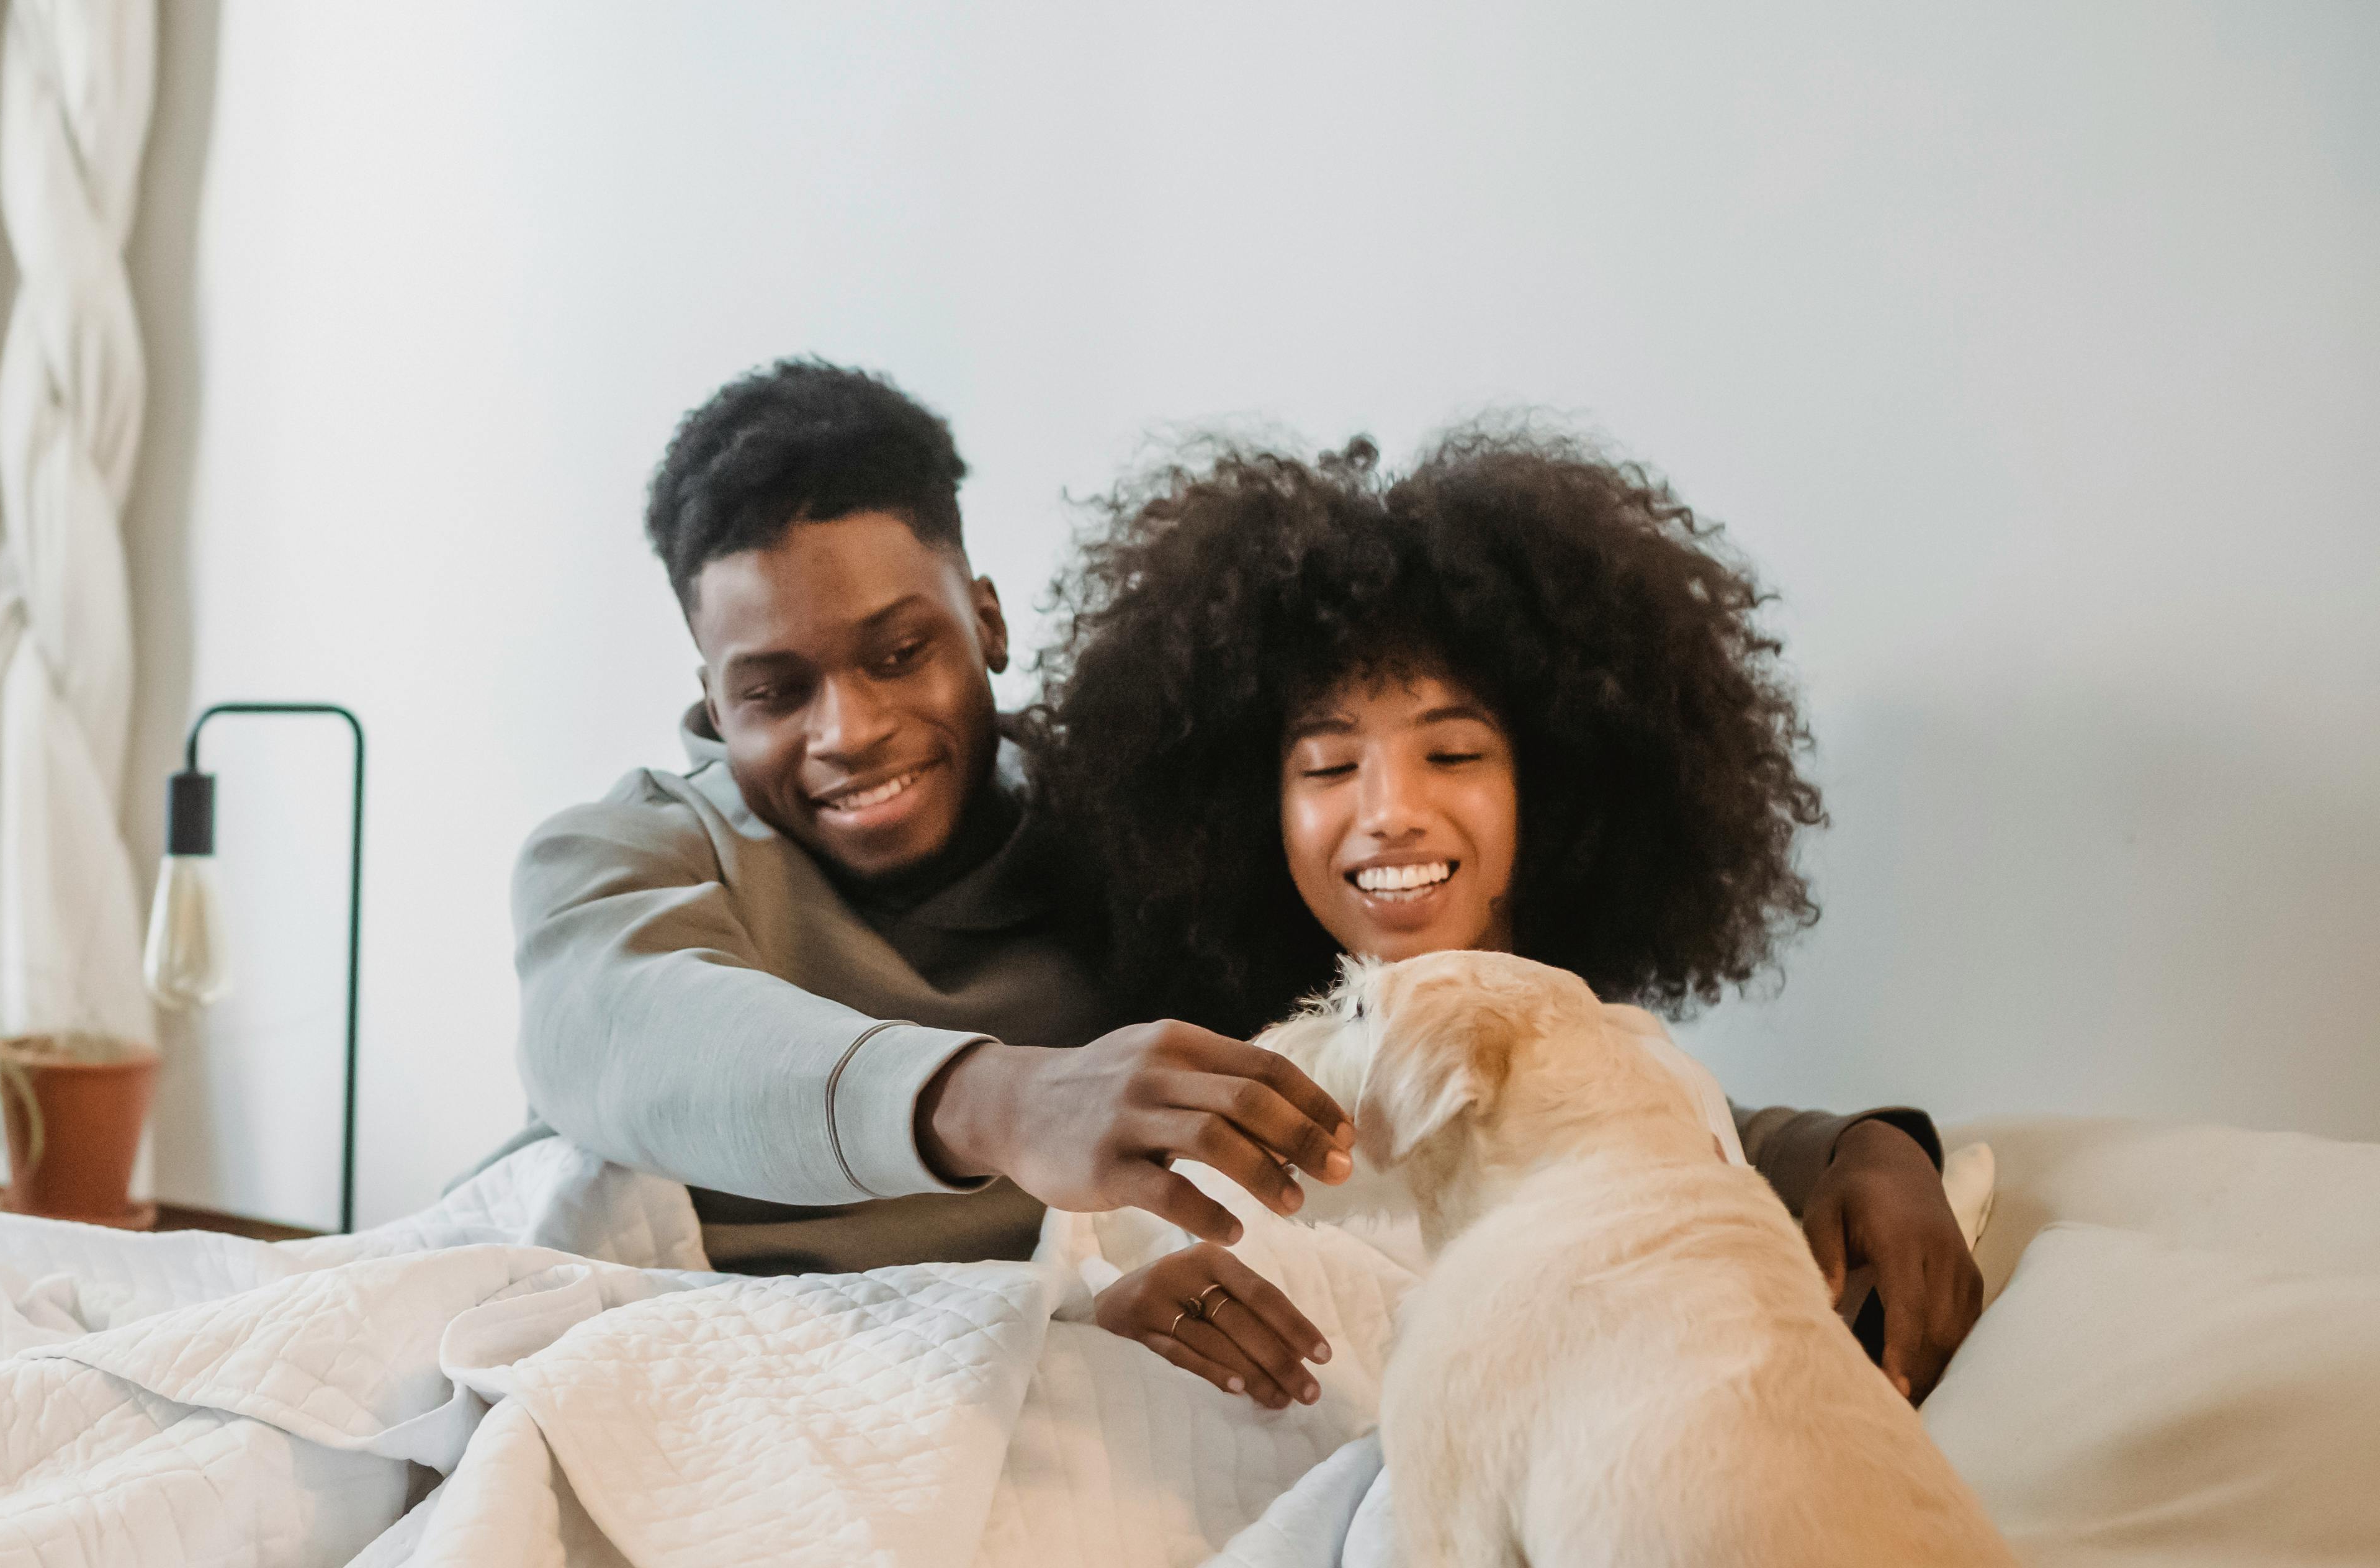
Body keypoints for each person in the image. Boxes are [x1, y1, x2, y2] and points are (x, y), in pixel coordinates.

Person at [508, 361, 1924, 1304]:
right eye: (774, 691)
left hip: (1039, 1372)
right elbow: (621, 1033)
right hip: (698, 1339)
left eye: (898, 653)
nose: (849, 730)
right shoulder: (631, 858)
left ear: (986, 621)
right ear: (707, 694)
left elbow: (1398, 1067)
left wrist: (1831, 1147)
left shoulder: (1131, 841)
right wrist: (998, 1098)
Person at [1022, 424, 1986, 1402]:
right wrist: (1114, 1315)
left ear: (1556, 789)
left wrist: (1871, 1144)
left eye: (1453, 755)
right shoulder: (1200, 1085)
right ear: (1248, 806)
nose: (1392, 811)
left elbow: (1690, 1136)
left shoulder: (1620, 1062)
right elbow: (1075, 1279)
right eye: (1328, 766)